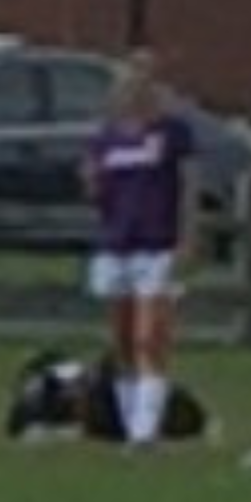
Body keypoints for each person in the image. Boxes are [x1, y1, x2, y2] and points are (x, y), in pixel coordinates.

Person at [83, 53, 197, 448]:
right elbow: (98, 192)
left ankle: (145, 429)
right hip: (117, 243)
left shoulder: (172, 134)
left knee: (151, 336)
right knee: (122, 339)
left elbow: (187, 188)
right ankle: (128, 414)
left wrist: (187, 237)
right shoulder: (105, 139)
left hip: (157, 242)